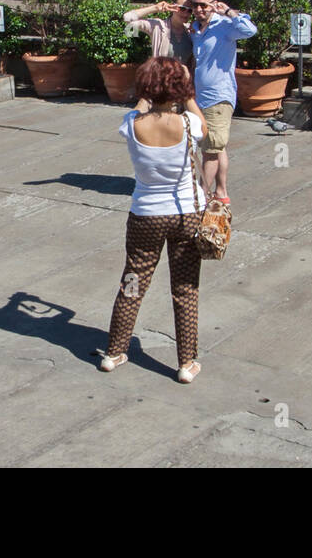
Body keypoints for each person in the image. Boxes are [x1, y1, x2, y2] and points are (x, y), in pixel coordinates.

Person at [102, 56, 207, 383]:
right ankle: (186, 363)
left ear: (146, 87)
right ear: (179, 89)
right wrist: (187, 89)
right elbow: (206, 127)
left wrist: (149, 90)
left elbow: (141, 105)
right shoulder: (188, 124)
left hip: (146, 214)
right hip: (186, 214)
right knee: (185, 288)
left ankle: (114, 352)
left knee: (132, 282)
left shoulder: (132, 123)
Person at [187, 0, 256, 205]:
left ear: (213, 3)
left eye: (204, 6)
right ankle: (221, 193)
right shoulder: (196, 28)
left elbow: (250, 30)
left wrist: (227, 12)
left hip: (219, 97)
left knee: (210, 150)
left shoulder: (225, 25)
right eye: (196, 6)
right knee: (218, 147)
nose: (199, 10)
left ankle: (201, 197)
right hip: (201, 97)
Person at [123, 0, 193, 64]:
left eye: (190, 10)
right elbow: (127, 18)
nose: (185, 13)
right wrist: (155, 8)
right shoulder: (157, 26)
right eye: (182, 8)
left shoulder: (192, 30)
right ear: (172, 6)